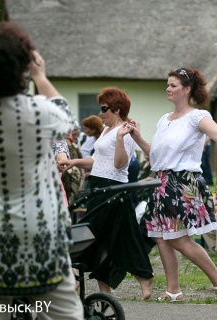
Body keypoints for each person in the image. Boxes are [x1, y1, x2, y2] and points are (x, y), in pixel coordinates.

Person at [0, 22, 85, 320]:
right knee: (61, 319)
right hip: (36, 238)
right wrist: (41, 76)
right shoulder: (39, 111)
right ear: (22, 67)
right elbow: (67, 120)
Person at [127, 67, 217, 301]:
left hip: (182, 183)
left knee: (179, 238)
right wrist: (138, 137)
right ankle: (173, 290)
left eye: (173, 85)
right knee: (161, 236)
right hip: (161, 182)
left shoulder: (198, 116)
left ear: (187, 89)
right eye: (167, 85)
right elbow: (156, 157)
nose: (168, 88)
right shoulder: (164, 120)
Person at [59, 87, 155, 300]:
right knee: (106, 240)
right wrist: (74, 162)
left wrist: (121, 138)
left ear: (117, 109)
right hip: (99, 186)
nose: (100, 112)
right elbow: (97, 161)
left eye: (104, 108)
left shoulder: (126, 131)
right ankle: (108, 290)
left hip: (114, 189)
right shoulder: (106, 130)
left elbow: (120, 164)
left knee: (97, 236)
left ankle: (142, 277)